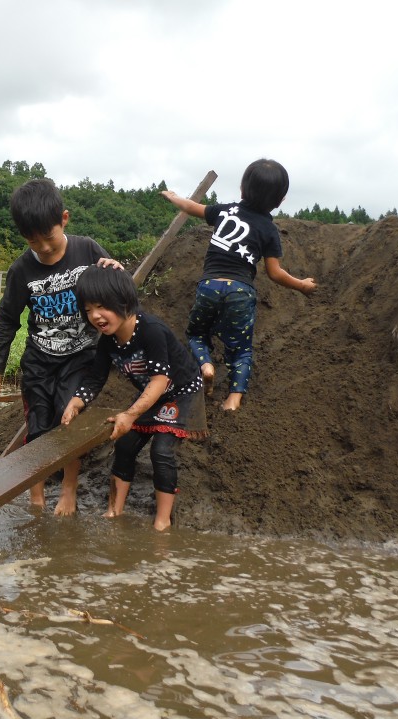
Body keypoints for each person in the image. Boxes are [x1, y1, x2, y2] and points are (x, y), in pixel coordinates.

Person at [0, 178, 122, 516]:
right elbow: (7, 319)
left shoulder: (87, 250)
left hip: (81, 356)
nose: (43, 248)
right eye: (33, 241)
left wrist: (117, 270)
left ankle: (68, 489)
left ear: (64, 219)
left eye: (48, 237)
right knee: (38, 427)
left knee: (68, 425)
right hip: (39, 360)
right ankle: (36, 495)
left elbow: (116, 288)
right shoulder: (21, 270)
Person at [161, 159, 317, 411]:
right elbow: (275, 273)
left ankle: (206, 365)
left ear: (242, 189)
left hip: (209, 285)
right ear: (281, 200)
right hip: (240, 292)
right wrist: (301, 285)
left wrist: (172, 196)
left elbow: (190, 207)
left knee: (197, 334)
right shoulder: (268, 229)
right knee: (241, 348)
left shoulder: (224, 211)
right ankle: (234, 398)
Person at [61, 265, 206, 531]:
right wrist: (77, 401)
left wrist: (130, 414)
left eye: (102, 306)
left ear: (124, 301)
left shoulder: (151, 330)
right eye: (88, 309)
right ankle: (114, 511)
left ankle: (162, 521)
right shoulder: (108, 341)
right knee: (126, 445)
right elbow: (95, 379)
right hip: (153, 393)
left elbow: (161, 380)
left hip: (181, 392)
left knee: (160, 451)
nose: (95, 316)